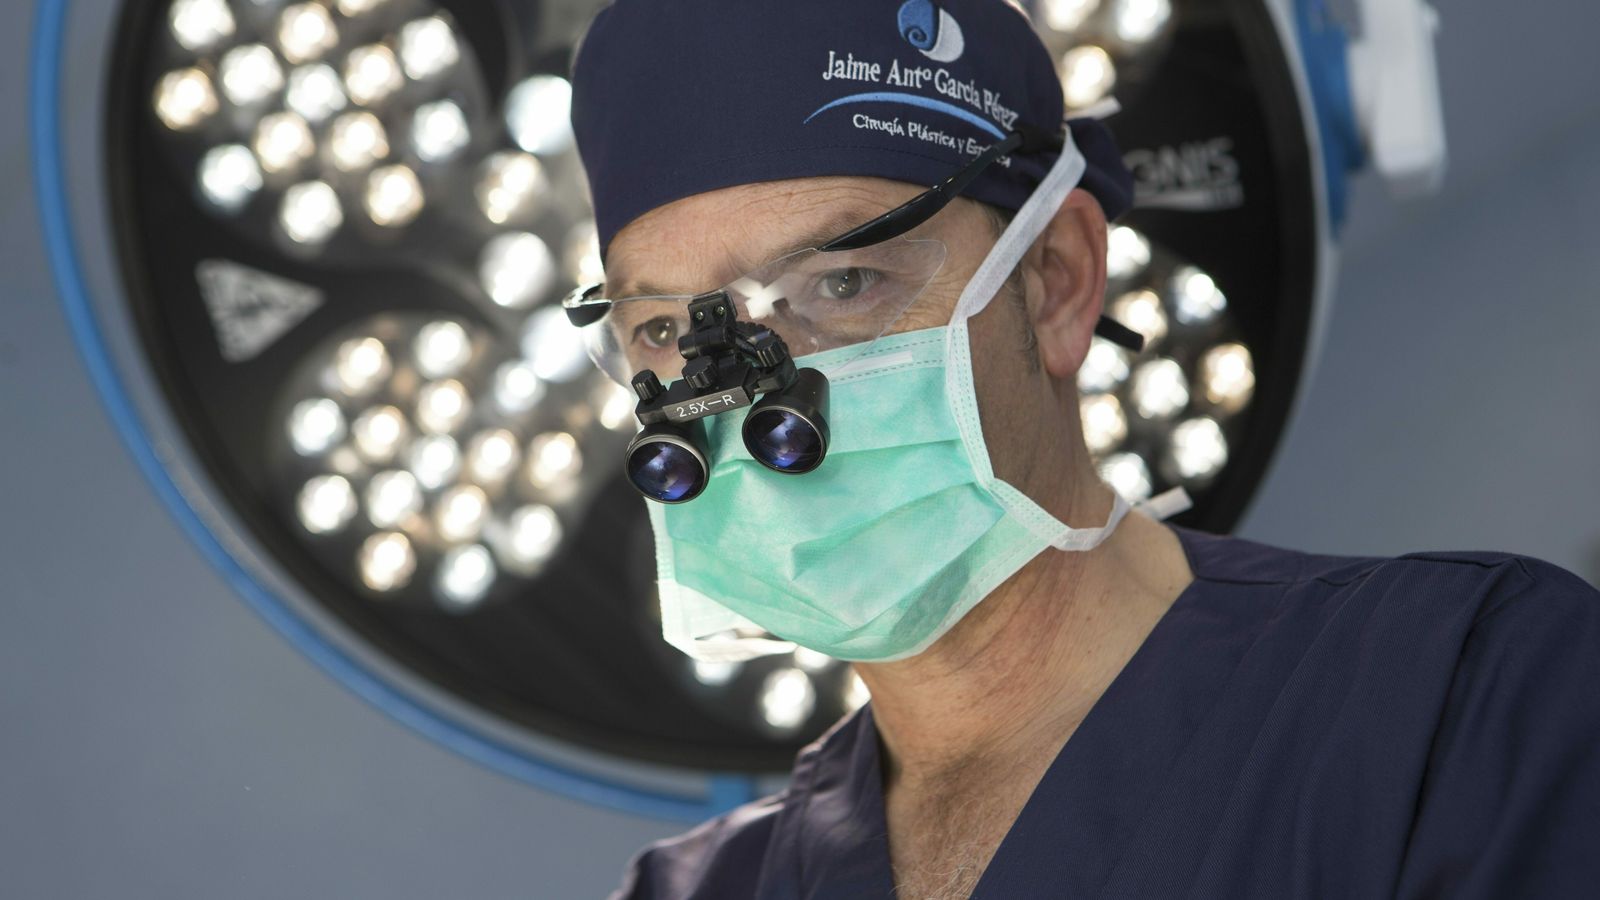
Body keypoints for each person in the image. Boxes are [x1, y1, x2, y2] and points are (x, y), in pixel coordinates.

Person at [562, 1, 1600, 897]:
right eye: (665, 332)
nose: (745, 391)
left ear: (1055, 278)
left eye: (841, 284)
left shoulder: (1458, 703)